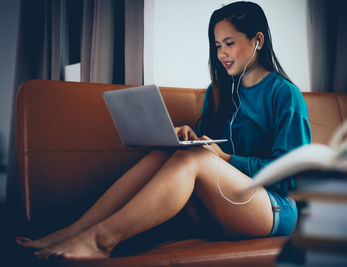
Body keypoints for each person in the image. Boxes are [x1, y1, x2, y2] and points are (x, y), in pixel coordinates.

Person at [16, 1, 311, 260]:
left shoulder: (284, 94)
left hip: (273, 208)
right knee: (169, 152)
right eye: (217, 45)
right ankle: (74, 230)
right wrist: (187, 137)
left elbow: (290, 179)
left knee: (195, 159)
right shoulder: (218, 91)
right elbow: (207, 151)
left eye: (229, 43)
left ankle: (100, 240)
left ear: (257, 40)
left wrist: (226, 159)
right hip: (223, 203)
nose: (222, 53)